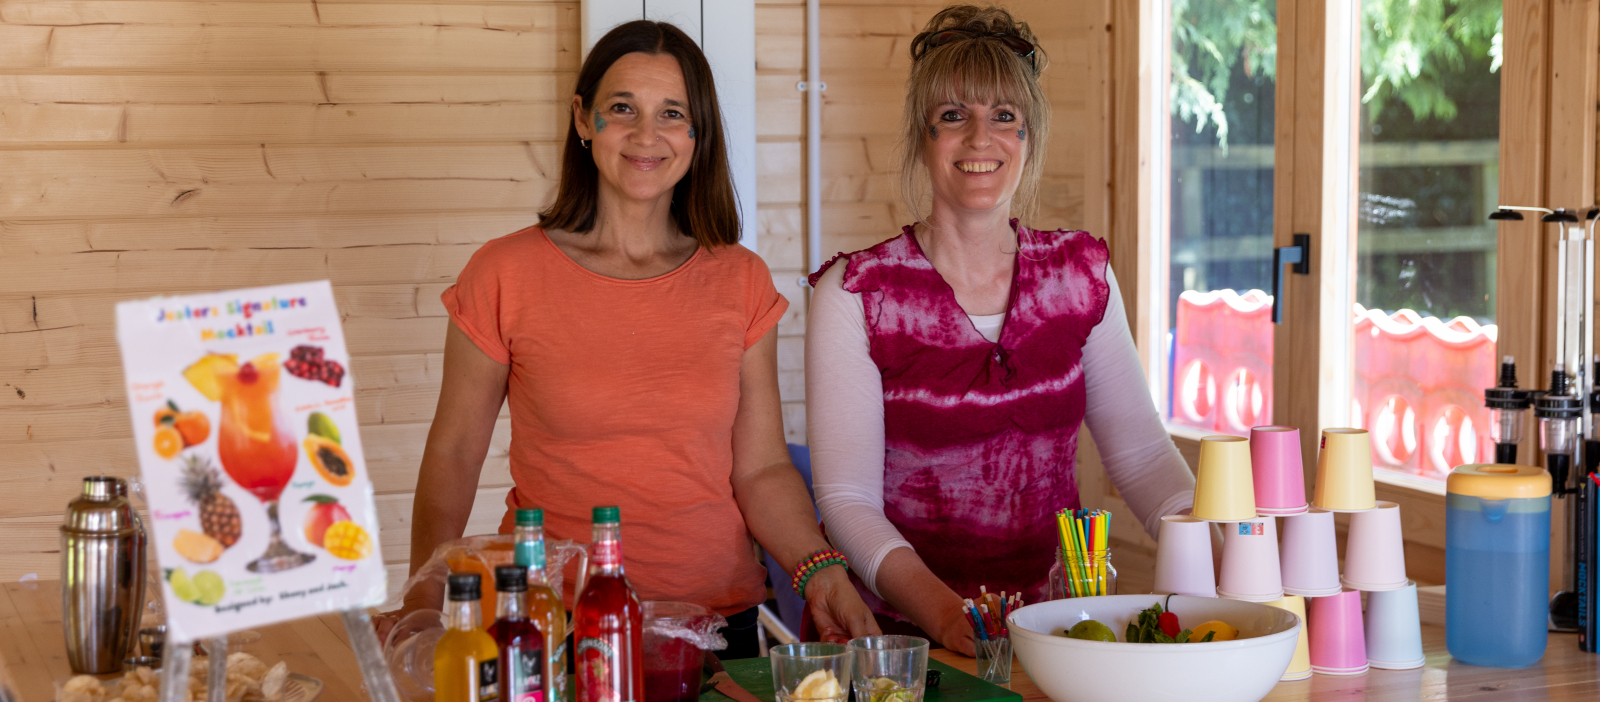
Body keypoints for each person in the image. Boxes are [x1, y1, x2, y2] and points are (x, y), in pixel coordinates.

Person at [388, 20, 878, 657]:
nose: (647, 135)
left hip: (717, 626)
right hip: (553, 625)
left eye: (672, 113)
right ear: (583, 120)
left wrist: (821, 571)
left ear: (697, 135)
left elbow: (760, 469)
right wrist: (424, 597)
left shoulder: (740, 279)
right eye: (622, 108)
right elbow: (454, 452)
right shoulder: (504, 272)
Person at [806, 5, 1201, 656]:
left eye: (1005, 116)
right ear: (922, 136)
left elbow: (1143, 459)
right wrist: (946, 616)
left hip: (1060, 641)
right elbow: (847, 503)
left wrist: (1221, 553)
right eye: (953, 116)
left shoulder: (1080, 275)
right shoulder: (857, 294)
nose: (980, 139)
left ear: (1030, 136)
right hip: (904, 655)